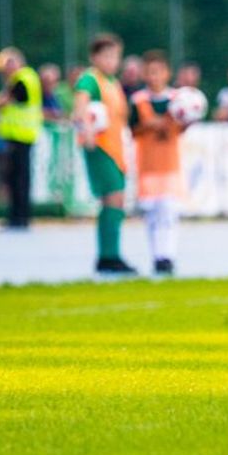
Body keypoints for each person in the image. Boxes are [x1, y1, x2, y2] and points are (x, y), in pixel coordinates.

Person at [74, 33, 135, 275]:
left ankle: (109, 255)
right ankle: (109, 256)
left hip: (115, 148)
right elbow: (80, 105)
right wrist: (86, 129)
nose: (111, 61)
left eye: (115, 56)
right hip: (101, 147)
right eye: (106, 56)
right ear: (94, 57)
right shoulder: (91, 79)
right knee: (113, 197)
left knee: (116, 199)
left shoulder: (113, 82)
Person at [130, 51, 189, 275]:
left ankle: (168, 255)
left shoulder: (178, 99)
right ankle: (156, 255)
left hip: (170, 165)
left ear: (167, 73)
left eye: (158, 72)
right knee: (153, 215)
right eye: (150, 72)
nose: (154, 77)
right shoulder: (138, 101)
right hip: (148, 166)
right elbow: (132, 128)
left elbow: (183, 126)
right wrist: (148, 125)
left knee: (169, 212)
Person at [0, 47, 42, 230]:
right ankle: (17, 216)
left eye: (9, 64)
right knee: (16, 178)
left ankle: (20, 217)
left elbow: (9, 99)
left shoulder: (24, 77)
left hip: (21, 135)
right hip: (17, 136)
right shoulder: (20, 79)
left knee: (19, 178)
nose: (7, 69)